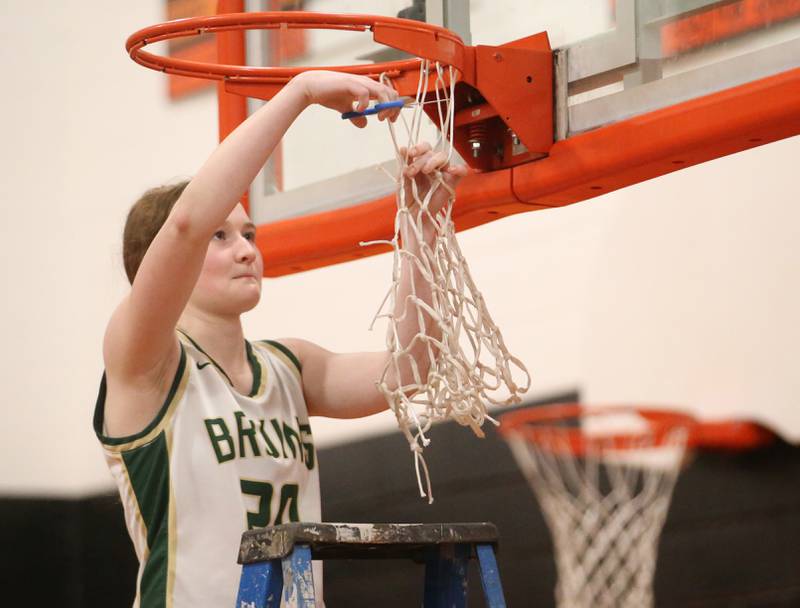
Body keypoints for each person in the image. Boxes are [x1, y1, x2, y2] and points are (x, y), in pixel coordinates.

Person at [92, 70, 467, 607]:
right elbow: (184, 227)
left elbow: (410, 370)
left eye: (249, 234)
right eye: (221, 236)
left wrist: (424, 231)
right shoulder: (144, 362)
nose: (246, 250)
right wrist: (302, 92)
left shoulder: (288, 366)